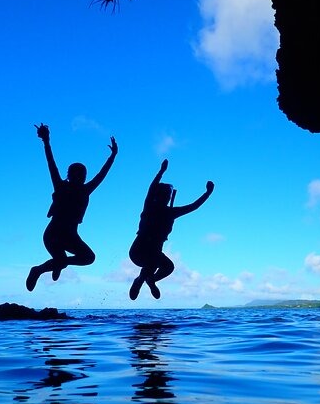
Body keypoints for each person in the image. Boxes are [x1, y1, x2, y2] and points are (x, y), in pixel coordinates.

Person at [26, 123, 118, 291]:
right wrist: (46, 141)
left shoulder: (86, 190)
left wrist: (113, 156)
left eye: (83, 175)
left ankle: (58, 264)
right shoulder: (60, 186)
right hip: (53, 234)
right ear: (70, 175)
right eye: (78, 174)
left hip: (71, 235)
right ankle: (38, 270)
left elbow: (102, 174)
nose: (81, 177)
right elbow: (51, 163)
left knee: (88, 258)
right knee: (61, 260)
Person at [129, 159, 214, 300]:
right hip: (138, 251)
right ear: (158, 196)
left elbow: (193, 206)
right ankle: (139, 280)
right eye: (163, 195)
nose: (166, 198)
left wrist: (207, 193)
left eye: (167, 196)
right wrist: (161, 172)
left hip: (154, 253)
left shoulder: (171, 212)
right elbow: (151, 188)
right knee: (151, 263)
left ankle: (150, 280)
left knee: (168, 267)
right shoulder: (149, 205)